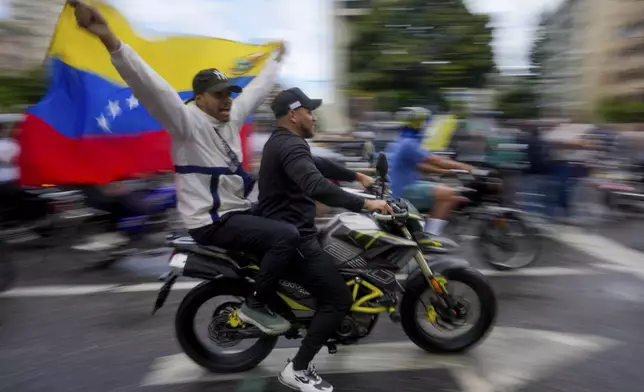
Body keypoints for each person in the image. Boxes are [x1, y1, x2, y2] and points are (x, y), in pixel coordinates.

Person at [70, 0, 298, 335]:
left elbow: (258, 89)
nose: (227, 99)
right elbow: (149, 85)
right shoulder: (185, 121)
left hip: (236, 211)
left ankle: (289, 292)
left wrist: (277, 60)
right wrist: (109, 39)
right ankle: (255, 305)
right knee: (286, 237)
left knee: (295, 219)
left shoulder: (232, 116)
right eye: (218, 94)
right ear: (200, 97)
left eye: (229, 93)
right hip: (211, 221)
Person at [258, 87, 393, 392]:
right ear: (293, 115)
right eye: (309, 110)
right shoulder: (289, 146)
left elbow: (317, 164)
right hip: (294, 238)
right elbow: (315, 184)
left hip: (293, 229)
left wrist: (358, 177)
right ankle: (299, 368)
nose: (313, 115)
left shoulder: (285, 143)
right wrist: (366, 204)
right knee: (338, 299)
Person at [386, 107, 472, 247]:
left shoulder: (400, 141)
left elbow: (421, 166)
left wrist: (449, 172)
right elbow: (435, 160)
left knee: (443, 190)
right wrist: (466, 167)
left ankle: (426, 224)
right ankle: (430, 236)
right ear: (418, 123)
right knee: (450, 194)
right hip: (403, 191)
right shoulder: (409, 144)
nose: (427, 126)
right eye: (426, 122)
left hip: (401, 187)